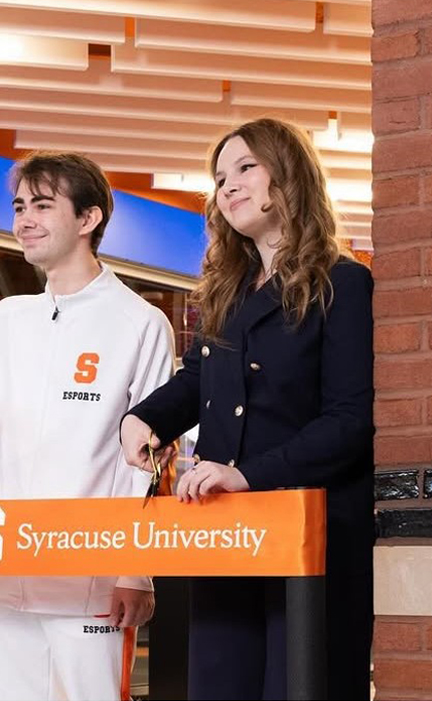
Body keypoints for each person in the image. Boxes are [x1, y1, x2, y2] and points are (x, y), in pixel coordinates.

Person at [120, 118, 374, 700]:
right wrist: (143, 419)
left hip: (310, 533)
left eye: (245, 169)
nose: (227, 186)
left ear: (289, 175)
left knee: (301, 685)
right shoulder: (230, 289)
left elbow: (350, 420)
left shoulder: (343, 282)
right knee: (219, 684)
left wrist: (246, 474)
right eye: (219, 178)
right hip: (226, 533)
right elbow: (197, 379)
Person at [0, 151, 175, 701]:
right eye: (19, 206)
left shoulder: (140, 323)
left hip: (94, 582)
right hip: (9, 576)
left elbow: (150, 466)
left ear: (88, 218)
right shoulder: (9, 318)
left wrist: (136, 571)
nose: (24, 219)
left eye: (43, 205)